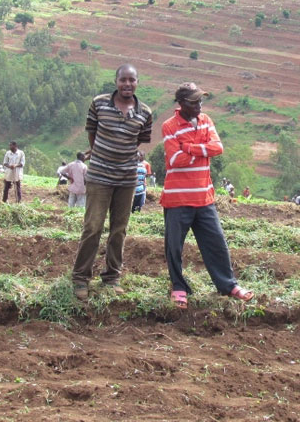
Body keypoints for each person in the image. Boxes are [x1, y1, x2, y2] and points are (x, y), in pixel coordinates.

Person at [160, 82, 254, 309]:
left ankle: (228, 285)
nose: (199, 105)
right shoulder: (169, 126)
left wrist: (189, 148)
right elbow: (174, 160)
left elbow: (218, 148)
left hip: (204, 198)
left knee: (216, 243)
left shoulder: (206, 120)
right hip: (178, 198)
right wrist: (201, 149)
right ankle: (179, 288)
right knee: (174, 246)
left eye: (201, 100)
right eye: (194, 102)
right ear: (181, 104)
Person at [71, 64, 152, 300]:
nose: (127, 84)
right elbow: (92, 133)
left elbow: (138, 141)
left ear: (137, 82)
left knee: (119, 230)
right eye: (123, 80)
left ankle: (112, 277)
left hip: (126, 178)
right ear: (116, 81)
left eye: (132, 80)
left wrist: (120, 156)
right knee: (93, 227)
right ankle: (80, 278)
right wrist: (103, 155)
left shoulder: (144, 112)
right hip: (99, 176)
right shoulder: (99, 104)